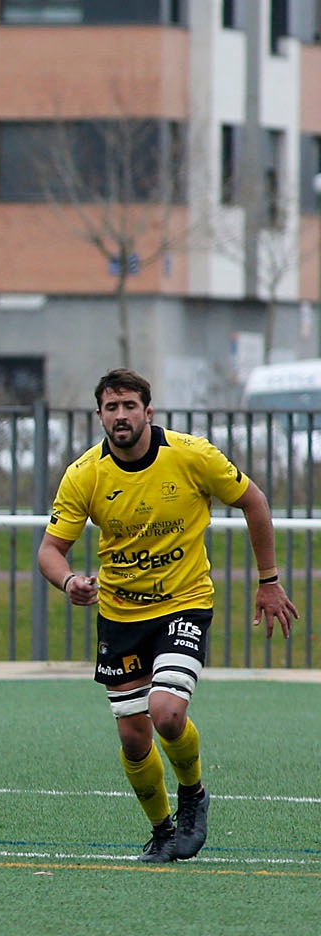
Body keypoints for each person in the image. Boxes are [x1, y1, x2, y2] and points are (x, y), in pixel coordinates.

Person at [37, 369, 297, 863]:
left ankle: (194, 795)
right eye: (111, 408)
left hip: (184, 603)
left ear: (148, 411)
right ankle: (162, 830)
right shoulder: (84, 473)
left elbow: (254, 501)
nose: (120, 416)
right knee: (134, 739)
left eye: (129, 406)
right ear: (99, 417)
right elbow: (51, 549)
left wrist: (268, 580)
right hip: (119, 616)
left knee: (167, 714)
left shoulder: (192, 455)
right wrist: (69, 581)